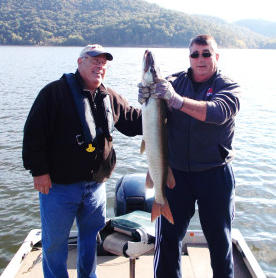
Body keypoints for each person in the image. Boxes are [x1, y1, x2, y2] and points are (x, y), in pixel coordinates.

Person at [22, 44, 142, 278]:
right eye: (94, 61)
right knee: (55, 244)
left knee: (90, 239)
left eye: (104, 64)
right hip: (59, 187)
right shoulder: (54, 93)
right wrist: (39, 172)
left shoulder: (109, 96)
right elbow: (34, 133)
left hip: (95, 186)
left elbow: (132, 121)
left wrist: (162, 107)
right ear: (80, 62)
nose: (100, 67)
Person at [138, 35, 241, 278]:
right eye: (195, 54)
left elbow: (217, 112)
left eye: (206, 53)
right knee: (168, 239)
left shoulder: (228, 86)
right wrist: (146, 99)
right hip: (176, 175)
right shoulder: (172, 81)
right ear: (189, 58)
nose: (200, 59)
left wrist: (176, 100)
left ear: (216, 56)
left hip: (215, 174)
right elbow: (151, 120)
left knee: (219, 241)